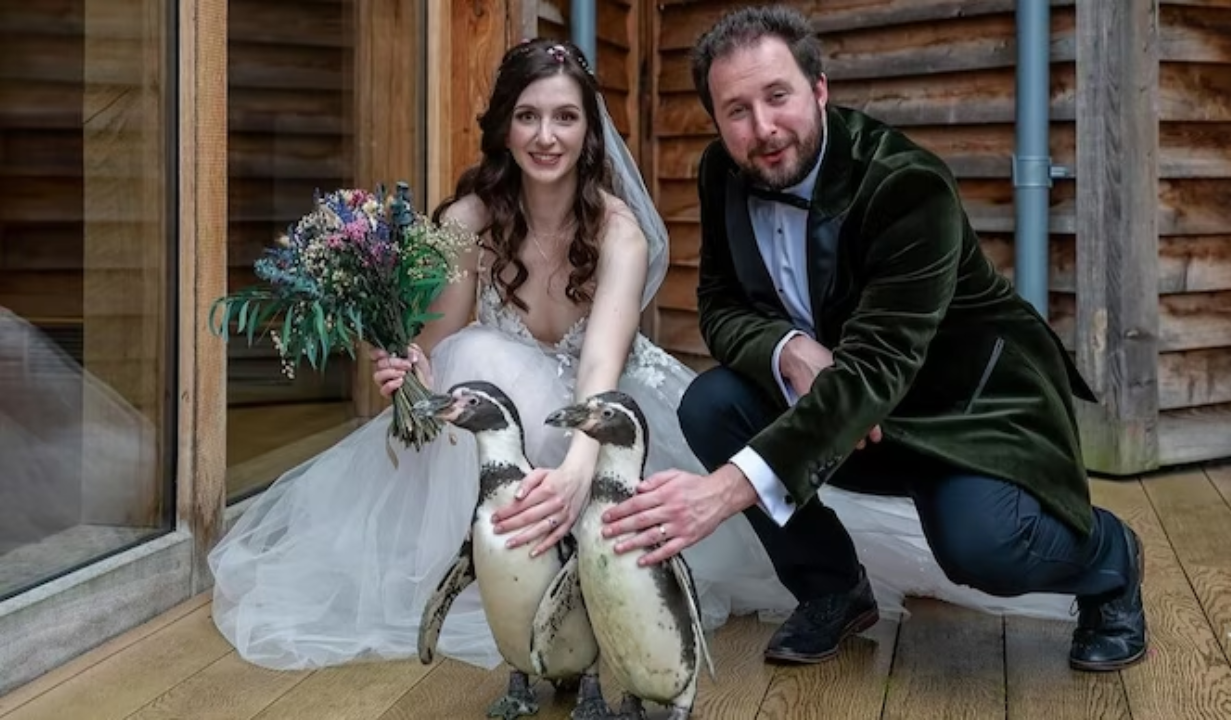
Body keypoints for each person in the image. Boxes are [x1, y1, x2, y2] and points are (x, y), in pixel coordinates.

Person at [208, 34, 1083, 675]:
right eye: (527, 117)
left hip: (623, 404)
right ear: (503, 129)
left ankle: (1081, 561)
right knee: (479, 358)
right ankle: (505, 568)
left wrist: (583, 464)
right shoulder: (465, 222)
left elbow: (600, 368)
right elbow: (439, 349)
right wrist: (405, 369)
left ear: (591, 132)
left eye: (565, 118)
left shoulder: (620, 226)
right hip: (507, 410)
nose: (547, 137)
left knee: (959, 535)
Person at [598, 5, 1148, 673]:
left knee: (981, 550)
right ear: (715, 120)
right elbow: (719, 305)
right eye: (736, 110)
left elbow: (876, 370)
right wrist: (788, 349)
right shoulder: (722, 172)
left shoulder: (906, 186)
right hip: (852, 408)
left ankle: (1112, 559)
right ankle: (832, 588)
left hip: (965, 409)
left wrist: (723, 491)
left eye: (778, 96)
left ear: (820, 90)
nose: (762, 128)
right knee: (712, 405)